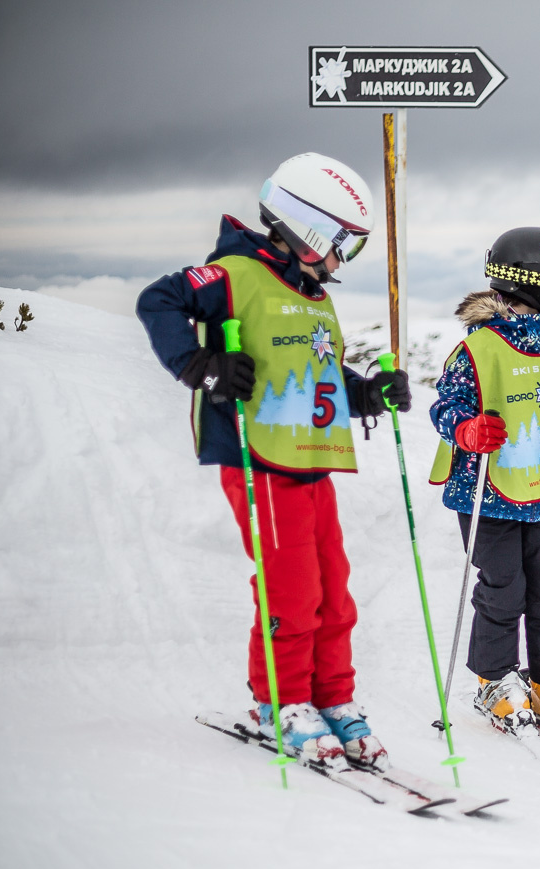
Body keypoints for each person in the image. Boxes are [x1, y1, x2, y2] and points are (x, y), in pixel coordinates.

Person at [138, 153, 408, 767]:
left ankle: (332, 697)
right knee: (292, 590)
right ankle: (280, 704)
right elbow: (158, 300)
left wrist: (368, 394)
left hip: (309, 459)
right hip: (257, 460)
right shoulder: (233, 275)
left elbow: (319, 376)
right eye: (342, 245)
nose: (341, 262)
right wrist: (200, 365)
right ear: (308, 228)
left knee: (333, 592)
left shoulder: (312, 295)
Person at [427, 227, 540, 742]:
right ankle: (494, 678)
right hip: (485, 492)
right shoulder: (480, 349)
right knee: (504, 589)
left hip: (536, 491)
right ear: (532, 283)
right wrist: (466, 428)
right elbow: (446, 406)